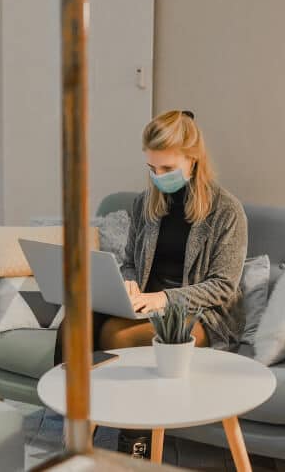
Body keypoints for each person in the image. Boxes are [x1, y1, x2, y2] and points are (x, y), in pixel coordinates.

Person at [53, 109, 248, 458]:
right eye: (152, 168)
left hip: (202, 315)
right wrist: (127, 285)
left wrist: (162, 299)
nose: (158, 177)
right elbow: (130, 261)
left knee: (116, 336)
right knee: (74, 324)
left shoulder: (227, 211)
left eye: (167, 169)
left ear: (193, 159)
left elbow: (223, 287)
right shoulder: (146, 203)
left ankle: (135, 450)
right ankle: (75, 431)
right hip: (144, 302)